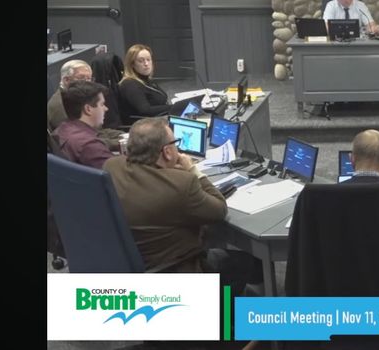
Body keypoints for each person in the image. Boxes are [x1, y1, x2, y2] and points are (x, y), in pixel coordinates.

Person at [104, 118, 262, 291]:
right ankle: (224, 315)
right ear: (167, 152)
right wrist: (192, 170)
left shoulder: (112, 166)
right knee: (244, 262)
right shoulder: (182, 184)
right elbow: (219, 209)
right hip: (174, 268)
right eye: (175, 143)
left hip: (132, 262)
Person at [48, 60, 123, 150]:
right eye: (82, 78)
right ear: (66, 80)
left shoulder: (81, 96)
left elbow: (98, 131)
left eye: (89, 78)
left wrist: (124, 136)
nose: (87, 82)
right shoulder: (58, 105)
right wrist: (120, 142)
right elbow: (80, 139)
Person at [55, 80, 114, 169]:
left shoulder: (63, 128)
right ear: (88, 109)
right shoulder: (89, 145)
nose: (106, 109)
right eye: (102, 104)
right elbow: (119, 176)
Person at [118, 44, 170, 125]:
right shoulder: (129, 84)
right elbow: (145, 110)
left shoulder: (147, 80)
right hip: (144, 127)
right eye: (141, 61)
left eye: (148, 60)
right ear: (132, 64)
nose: (146, 64)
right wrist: (173, 107)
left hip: (158, 120)